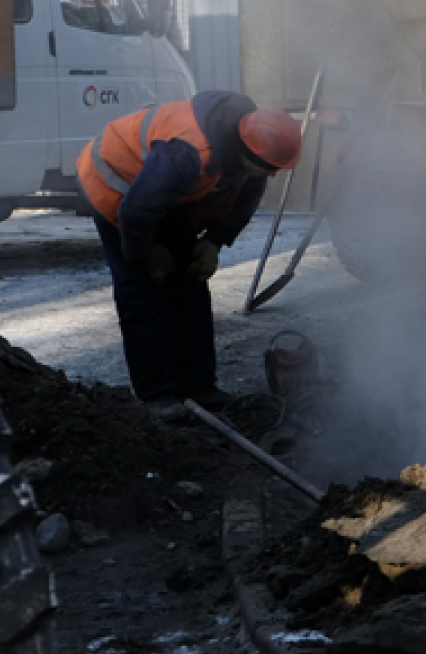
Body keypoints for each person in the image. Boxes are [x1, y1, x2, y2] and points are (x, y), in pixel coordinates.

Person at [78, 90, 302, 419]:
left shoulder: (252, 149)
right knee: (140, 293)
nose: (270, 175)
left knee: (190, 287)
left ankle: (198, 387)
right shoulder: (188, 152)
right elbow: (135, 212)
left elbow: (246, 199)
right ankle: (156, 395)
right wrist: (147, 256)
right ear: (246, 149)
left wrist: (214, 241)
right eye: (267, 168)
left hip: (162, 197)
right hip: (118, 188)